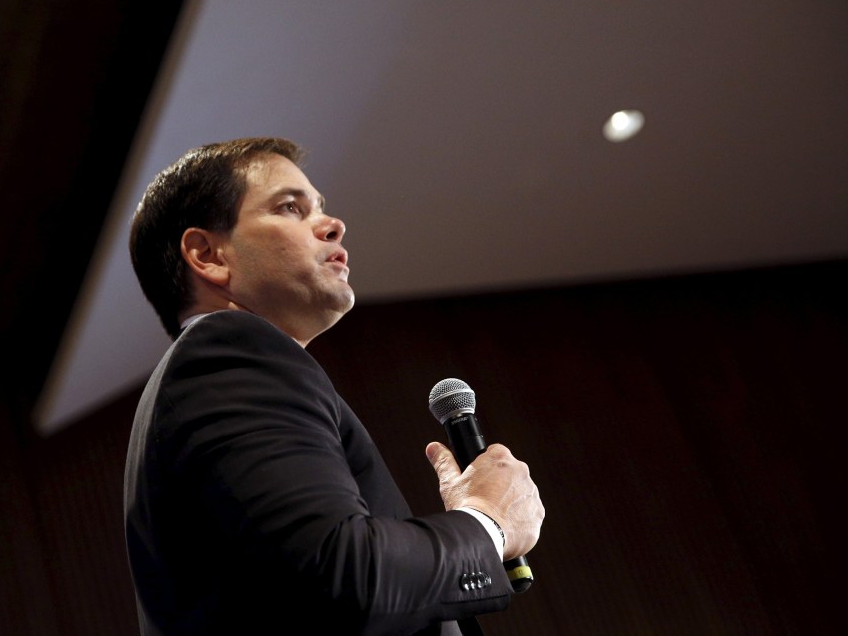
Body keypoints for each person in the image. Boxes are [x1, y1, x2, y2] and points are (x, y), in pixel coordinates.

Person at [123, 136, 545, 635]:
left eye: (320, 207)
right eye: (289, 207)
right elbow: (346, 580)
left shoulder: (219, 370)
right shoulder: (228, 351)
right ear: (208, 254)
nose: (333, 224)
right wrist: (488, 523)